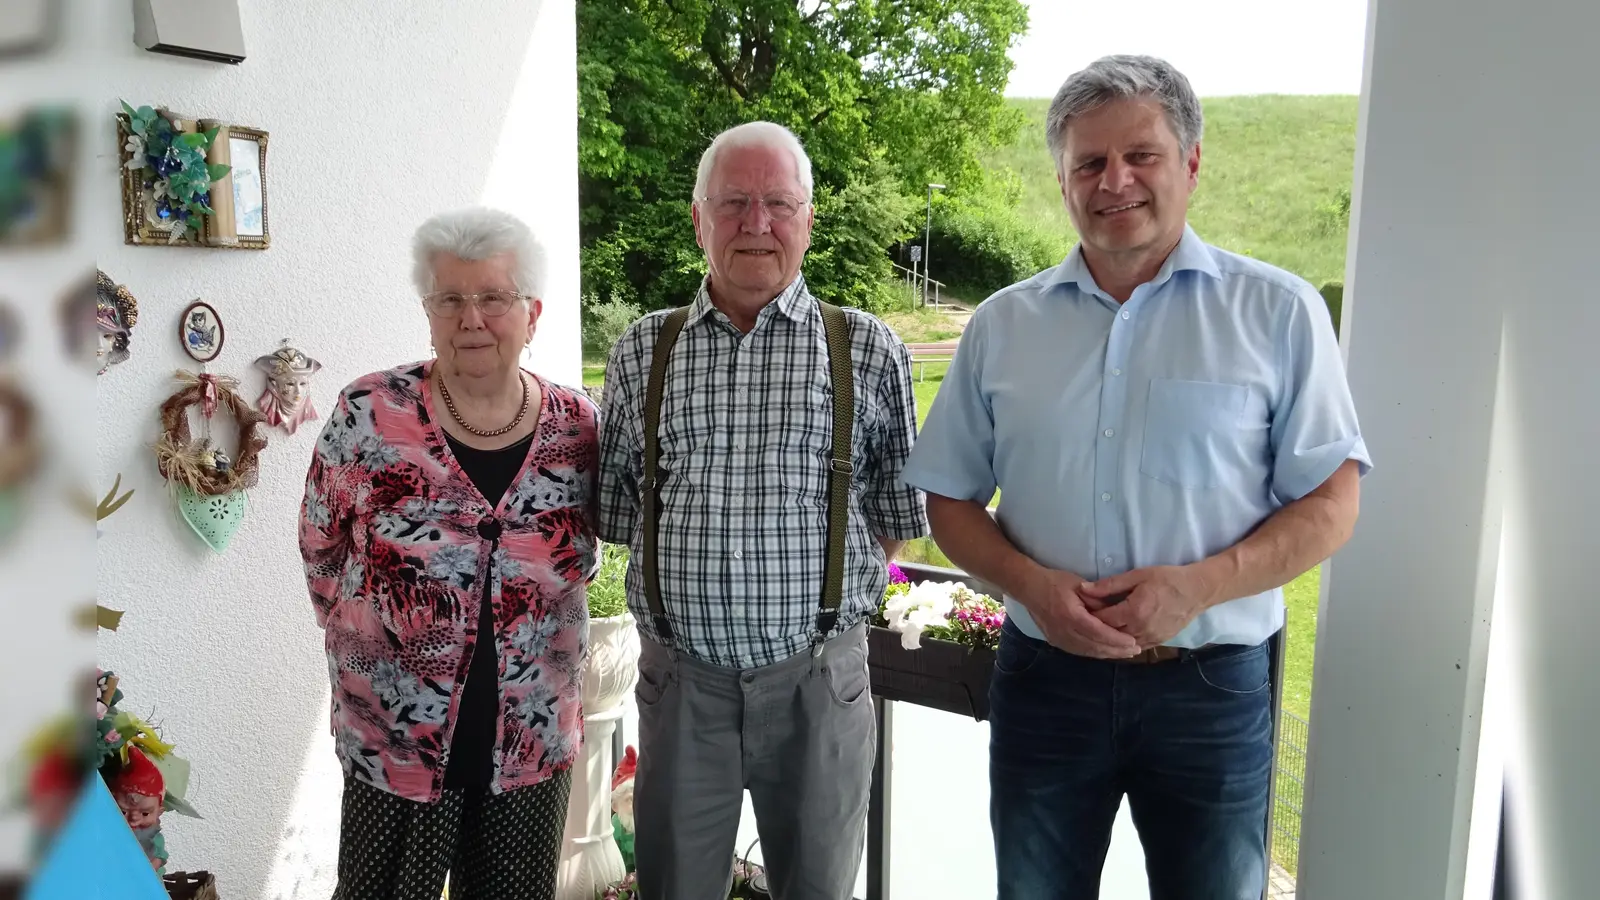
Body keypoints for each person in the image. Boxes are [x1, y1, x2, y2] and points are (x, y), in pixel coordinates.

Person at [900, 55, 1370, 899]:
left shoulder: (1277, 312)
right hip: (1046, 682)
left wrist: (1203, 585)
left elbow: (1333, 501)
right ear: (1063, 179)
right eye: (1088, 162)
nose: (1114, 180)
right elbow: (948, 497)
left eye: (1140, 155)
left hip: (1210, 691)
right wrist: (1032, 587)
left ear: (1190, 163)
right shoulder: (1003, 326)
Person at [597, 121, 928, 900]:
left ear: (808, 220)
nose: (757, 223)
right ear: (698, 218)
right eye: (735, 203)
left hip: (820, 685)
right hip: (682, 692)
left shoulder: (869, 350)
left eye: (778, 203)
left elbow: (892, 516)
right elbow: (616, 511)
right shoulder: (644, 350)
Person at [300, 206, 599, 900]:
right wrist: (369, 639)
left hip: (529, 737)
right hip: (394, 734)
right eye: (450, 300)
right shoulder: (370, 413)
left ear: (533, 313)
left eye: (493, 298)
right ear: (428, 313)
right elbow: (321, 546)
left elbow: (588, 551)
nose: (473, 319)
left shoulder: (578, 425)